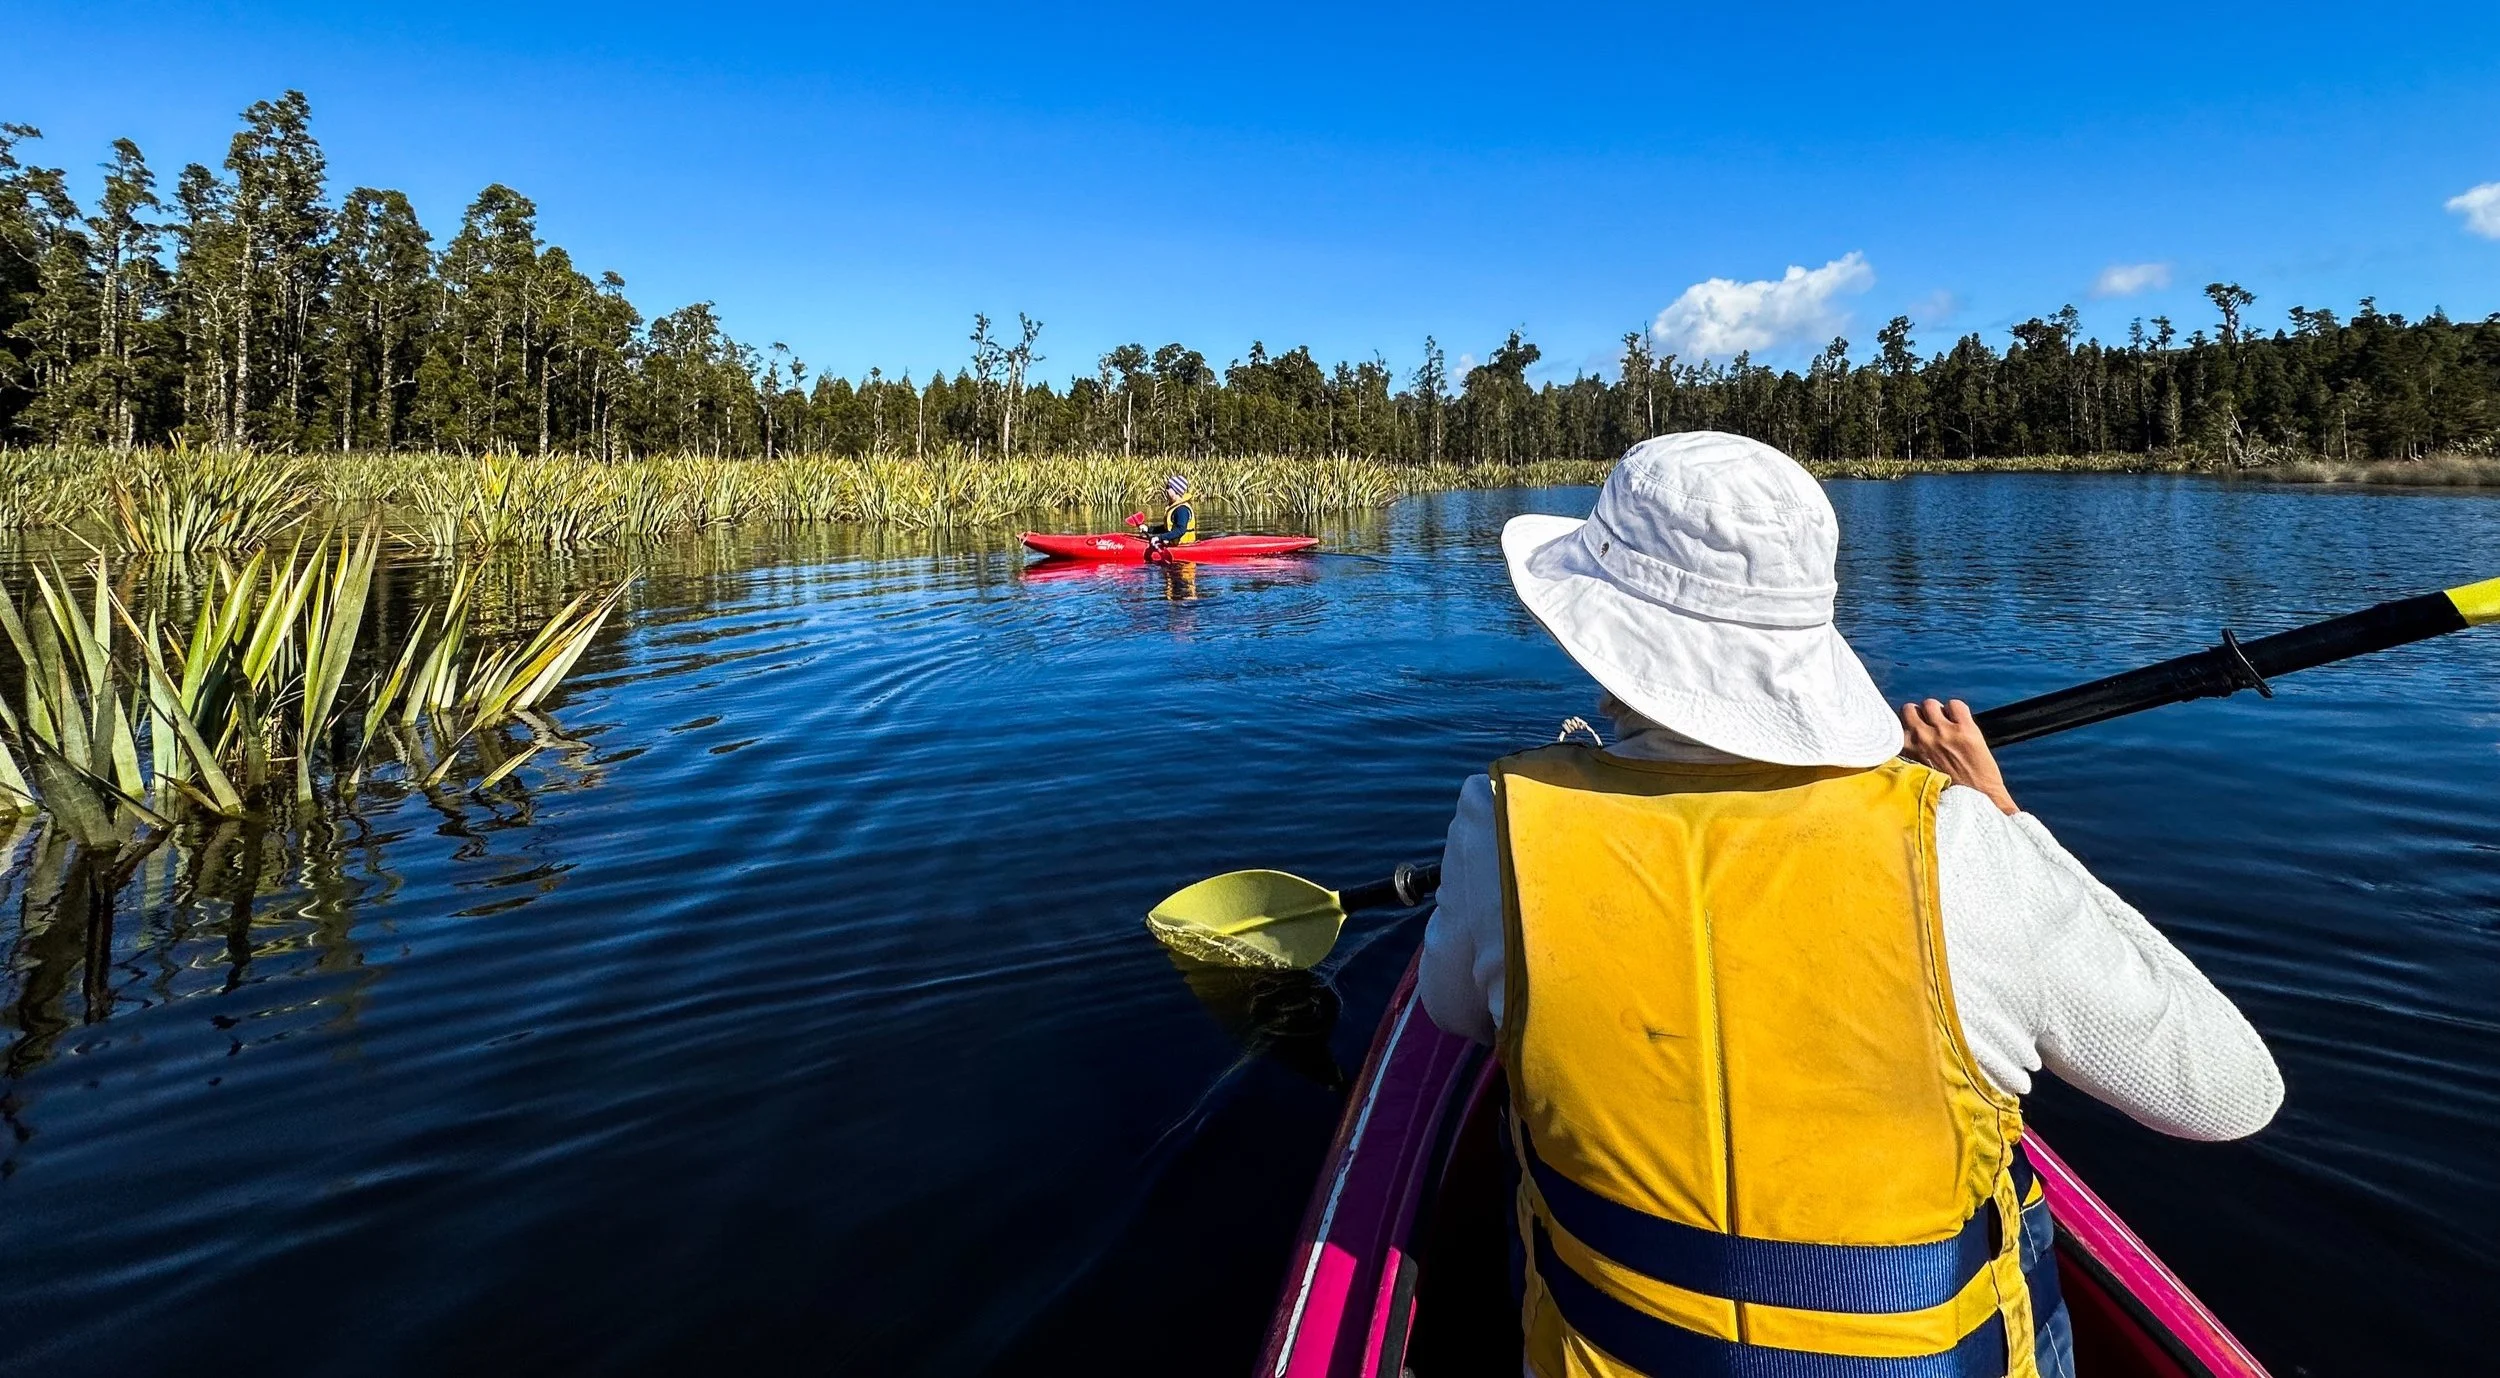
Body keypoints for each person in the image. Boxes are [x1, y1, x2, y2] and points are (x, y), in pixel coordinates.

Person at [1418, 431, 2280, 1378]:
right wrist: (2004, 816)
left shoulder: (1501, 816)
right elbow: (2232, 1097)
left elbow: (1454, 1014)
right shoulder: (1962, 841)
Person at [1132, 474, 1197, 552]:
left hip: (1184, 547)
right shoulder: (1175, 507)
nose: (1166, 490)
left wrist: (1159, 537)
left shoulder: (1182, 509)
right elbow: (1167, 528)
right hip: (1174, 545)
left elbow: (1180, 530)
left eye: (1168, 487)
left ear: (1176, 490)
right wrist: (1148, 529)